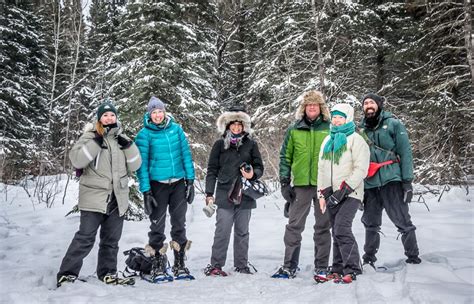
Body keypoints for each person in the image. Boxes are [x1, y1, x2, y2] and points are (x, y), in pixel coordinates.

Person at [57, 101, 142, 287]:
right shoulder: (89, 137)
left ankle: (108, 273)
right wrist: (96, 143)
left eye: (112, 115)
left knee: (111, 240)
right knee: (85, 238)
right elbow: (77, 160)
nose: (109, 118)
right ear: (99, 118)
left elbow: (135, 165)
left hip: (117, 197)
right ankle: (67, 274)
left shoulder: (122, 139)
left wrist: (128, 146)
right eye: (105, 115)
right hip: (94, 196)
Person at [272, 90, 332, 279]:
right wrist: (284, 181)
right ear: (304, 107)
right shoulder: (294, 129)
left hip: (324, 185)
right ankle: (289, 265)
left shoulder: (330, 128)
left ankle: (322, 266)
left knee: (323, 227)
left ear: (321, 107)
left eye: (315, 104)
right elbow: (285, 157)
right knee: (294, 226)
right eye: (308, 104)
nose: (312, 107)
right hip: (300, 185)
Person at [135, 96, 195, 281]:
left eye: (160, 111)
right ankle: (158, 265)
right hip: (157, 186)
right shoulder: (144, 135)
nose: (158, 115)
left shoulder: (176, 130)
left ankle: (180, 264)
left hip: (178, 183)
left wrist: (190, 181)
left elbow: (186, 155)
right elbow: (141, 166)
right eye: (154, 112)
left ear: (165, 112)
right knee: (157, 226)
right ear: (149, 115)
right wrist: (146, 191)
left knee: (179, 223)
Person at [359, 93, 421, 268]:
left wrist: (407, 181)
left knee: (402, 220)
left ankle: (413, 257)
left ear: (379, 105)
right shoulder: (360, 130)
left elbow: (405, 152)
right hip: (370, 183)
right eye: (365, 103)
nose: (368, 105)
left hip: (391, 180)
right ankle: (369, 259)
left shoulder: (393, 124)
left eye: (371, 102)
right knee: (370, 222)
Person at [204, 106, 264, 276]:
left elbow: (260, 167)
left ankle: (241, 265)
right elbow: (211, 170)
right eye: (233, 124)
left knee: (242, 232)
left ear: (244, 126)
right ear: (227, 125)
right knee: (222, 230)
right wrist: (209, 193)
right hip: (224, 194)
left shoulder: (251, 144)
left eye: (240, 124)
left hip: (245, 194)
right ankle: (216, 265)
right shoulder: (219, 145)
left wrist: (253, 173)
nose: (237, 127)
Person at [318, 103, 370, 284]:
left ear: (347, 118)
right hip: (331, 193)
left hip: (351, 192)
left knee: (342, 228)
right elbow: (322, 169)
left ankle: (353, 268)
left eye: (340, 117)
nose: (336, 120)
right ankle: (338, 268)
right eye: (334, 117)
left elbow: (361, 169)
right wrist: (322, 194)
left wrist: (344, 190)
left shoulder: (356, 140)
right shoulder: (327, 141)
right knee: (336, 231)